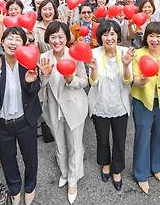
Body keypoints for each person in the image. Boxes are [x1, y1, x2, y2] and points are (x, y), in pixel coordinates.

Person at [0, 27, 41, 205]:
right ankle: (15, 188)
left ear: (24, 44)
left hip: (25, 120)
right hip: (2, 123)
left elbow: (33, 92)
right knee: (8, 159)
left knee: (30, 157)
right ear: (2, 42)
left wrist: (31, 83)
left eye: (18, 39)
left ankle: (30, 187)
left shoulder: (28, 64)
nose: (13, 42)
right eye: (9, 38)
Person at [38, 22, 88, 204]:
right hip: (53, 108)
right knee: (59, 145)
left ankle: (73, 179)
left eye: (60, 37)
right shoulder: (44, 57)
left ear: (67, 37)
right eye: (53, 37)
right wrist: (43, 76)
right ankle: (65, 172)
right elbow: (39, 86)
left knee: (75, 145)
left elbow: (84, 81)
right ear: (48, 39)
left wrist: (72, 79)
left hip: (74, 107)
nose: (57, 40)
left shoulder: (75, 55)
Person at [131, 22, 160, 195]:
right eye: (151, 35)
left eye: (159, 36)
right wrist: (142, 79)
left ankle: (156, 166)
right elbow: (134, 80)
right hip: (142, 102)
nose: (155, 39)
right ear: (146, 38)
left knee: (159, 135)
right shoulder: (138, 54)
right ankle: (141, 174)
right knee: (142, 137)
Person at [88, 20, 134, 192]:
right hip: (100, 103)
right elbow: (92, 83)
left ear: (118, 36)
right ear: (100, 37)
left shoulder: (125, 52)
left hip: (119, 104)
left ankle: (117, 169)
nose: (109, 37)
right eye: (105, 34)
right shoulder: (94, 53)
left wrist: (127, 64)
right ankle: (105, 163)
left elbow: (128, 81)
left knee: (120, 139)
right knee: (102, 137)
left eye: (113, 33)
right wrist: (92, 69)